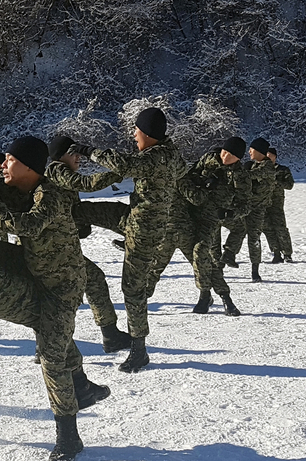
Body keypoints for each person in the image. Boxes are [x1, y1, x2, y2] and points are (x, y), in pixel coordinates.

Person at [0, 130, 105, 461]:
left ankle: (68, 433)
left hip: (56, 285)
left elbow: (29, 222)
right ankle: (79, 391)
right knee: (51, 341)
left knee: (47, 351)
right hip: (13, 278)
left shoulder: (48, 194)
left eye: (9, 159)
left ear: (28, 165)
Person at [71, 107, 188, 373]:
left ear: (148, 132)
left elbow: (125, 165)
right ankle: (74, 227)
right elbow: (180, 170)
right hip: (134, 217)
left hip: (145, 230)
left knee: (133, 290)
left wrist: (88, 150)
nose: (134, 134)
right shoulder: (169, 154)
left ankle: (139, 349)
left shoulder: (156, 156)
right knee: (85, 210)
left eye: (137, 130)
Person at [45, 136, 132, 352]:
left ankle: (109, 334)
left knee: (85, 284)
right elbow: (87, 184)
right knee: (76, 288)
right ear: (60, 156)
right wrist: (121, 169)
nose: (78, 158)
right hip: (51, 247)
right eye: (73, 153)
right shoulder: (56, 170)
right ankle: (109, 335)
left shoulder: (62, 176)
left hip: (60, 244)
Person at [178, 138, 248, 316]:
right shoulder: (210, 158)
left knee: (204, 253)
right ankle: (207, 294)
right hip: (191, 212)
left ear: (238, 158)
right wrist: (203, 181)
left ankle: (217, 296)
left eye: (231, 155)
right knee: (202, 258)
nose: (225, 156)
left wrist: (230, 213)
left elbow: (246, 205)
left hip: (213, 219)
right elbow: (190, 175)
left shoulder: (241, 176)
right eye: (224, 152)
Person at [223, 138, 276, 282]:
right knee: (238, 230)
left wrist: (238, 171)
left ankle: (255, 270)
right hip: (245, 206)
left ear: (259, 151)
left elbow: (249, 177)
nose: (249, 152)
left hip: (257, 209)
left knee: (254, 238)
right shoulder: (253, 165)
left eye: (252, 149)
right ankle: (228, 256)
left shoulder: (267, 167)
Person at [265, 148, 295, 263]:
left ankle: (287, 253)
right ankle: (276, 252)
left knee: (281, 228)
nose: (268, 157)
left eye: (270, 155)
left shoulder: (282, 170)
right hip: (263, 203)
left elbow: (289, 185)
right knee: (268, 229)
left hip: (276, 204)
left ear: (275, 156)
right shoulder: (261, 169)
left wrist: (276, 182)